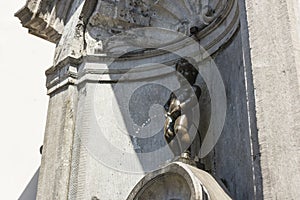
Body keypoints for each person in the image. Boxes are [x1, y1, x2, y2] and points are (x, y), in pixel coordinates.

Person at [164, 58, 201, 162]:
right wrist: (166, 112)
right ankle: (177, 154)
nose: (183, 74)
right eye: (180, 71)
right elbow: (166, 105)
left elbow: (193, 100)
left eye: (186, 71)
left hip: (184, 114)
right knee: (169, 134)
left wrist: (180, 108)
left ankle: (186, 152)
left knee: (180, 129)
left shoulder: (193, 89)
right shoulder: (174, 92)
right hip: (171, 116)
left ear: (193, 74)